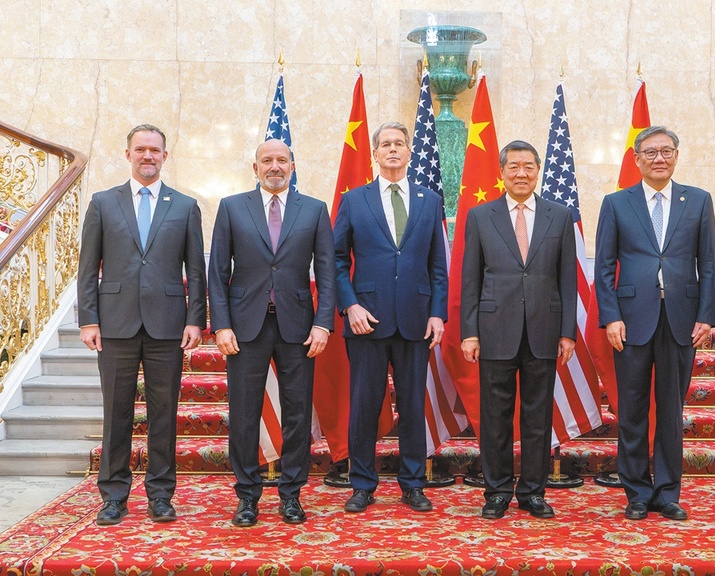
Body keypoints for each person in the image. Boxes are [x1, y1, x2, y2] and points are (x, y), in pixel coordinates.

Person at [78, 124, 206, 526]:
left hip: (168, 325)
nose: (148, 156)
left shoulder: (185, 206)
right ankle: (114, 495)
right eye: (141, 149)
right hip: (114, 324)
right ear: (128, 153)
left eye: (155, 150)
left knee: (164, 413)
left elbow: (196, 270)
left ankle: (161, 494)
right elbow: (87, 268)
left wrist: (195, 318)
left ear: (165, 156)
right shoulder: (102, 203)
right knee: (116, 413)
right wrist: (88, 319)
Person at [208, 139, 336, 526]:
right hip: (245, 327)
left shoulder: (314, 210)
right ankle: (247, 496)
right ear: (255, 168)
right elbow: (217, 272)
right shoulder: (232, 208)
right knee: (244, 413)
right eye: (267, 160)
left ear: (292, 167)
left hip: (298, 326)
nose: (274, 166)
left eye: (282, 160)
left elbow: (327, 273)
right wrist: (222, 324)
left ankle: (292, 494)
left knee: (297, 412)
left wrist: (323, 323)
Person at [594, 125, 715, 522]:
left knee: (670, 409)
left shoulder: (698, 201)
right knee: (631, 409)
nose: (659, 158)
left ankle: (667, 492)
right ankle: (635, 491)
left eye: (666, 151)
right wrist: (610, 316)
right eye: (650, 152)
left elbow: (709, 264)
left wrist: (706, 315)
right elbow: (604, 266)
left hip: (681, 319)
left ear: (677, 156)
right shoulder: (616, 203)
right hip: (631, 321)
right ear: (637, 158)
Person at [334, 122, 448, 513]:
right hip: (367, 319)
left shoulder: (430, 201)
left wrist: (437, 313)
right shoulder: (354, 200)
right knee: (365, 404)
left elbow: (438, 264)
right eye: (386, 144)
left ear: (409, 151)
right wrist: (350, 305)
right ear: (375, 154)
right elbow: (334, 261)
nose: (393, 150)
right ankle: (362, 484)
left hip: (416, 319)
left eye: (400, 143)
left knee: (413, 406)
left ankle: (413, 483)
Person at [460, 140, 578, 519]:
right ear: (502, 171)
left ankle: (533, 491)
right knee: (495, 416)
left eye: (528, 166)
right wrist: (470, 331)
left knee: (537, 416)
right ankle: (496, 491)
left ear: (538, 170)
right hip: (494, 329)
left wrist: (567, 332)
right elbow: (470, 278)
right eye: (514, 166)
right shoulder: (481, 216)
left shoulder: (559, 216)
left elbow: (567, 278)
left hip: (544, 328)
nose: (521, 173)